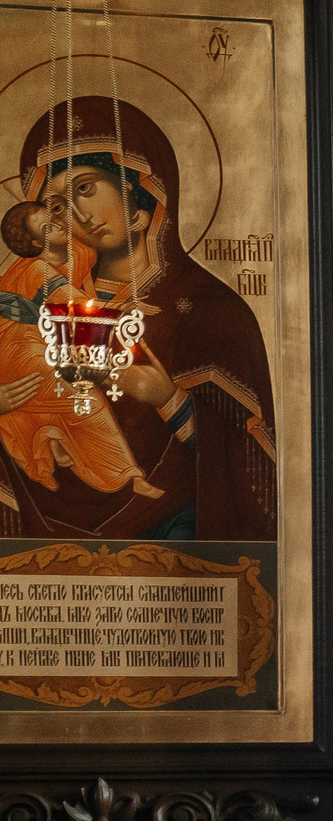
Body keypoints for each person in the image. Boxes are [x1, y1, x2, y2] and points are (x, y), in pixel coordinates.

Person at [0, 98, 278, 542]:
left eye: (85, 188)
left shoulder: (212, 311)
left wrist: (167, 398)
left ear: (140, 189)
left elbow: (254, 475)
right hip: (40, 533)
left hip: (171, 539)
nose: (74, 215)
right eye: (54, 206)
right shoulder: (37, 303)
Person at [0, 195, 163, 504]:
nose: (58, 224)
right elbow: (76, 306)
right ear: (37, 244)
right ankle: (128, 475)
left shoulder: (78, 251)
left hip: (38, 341)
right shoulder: (37, 271)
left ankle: (53, 436)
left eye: (53, 217)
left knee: (69, 383)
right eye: (47, 228)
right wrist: (122, 307)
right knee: (84, 399)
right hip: (17, 352)